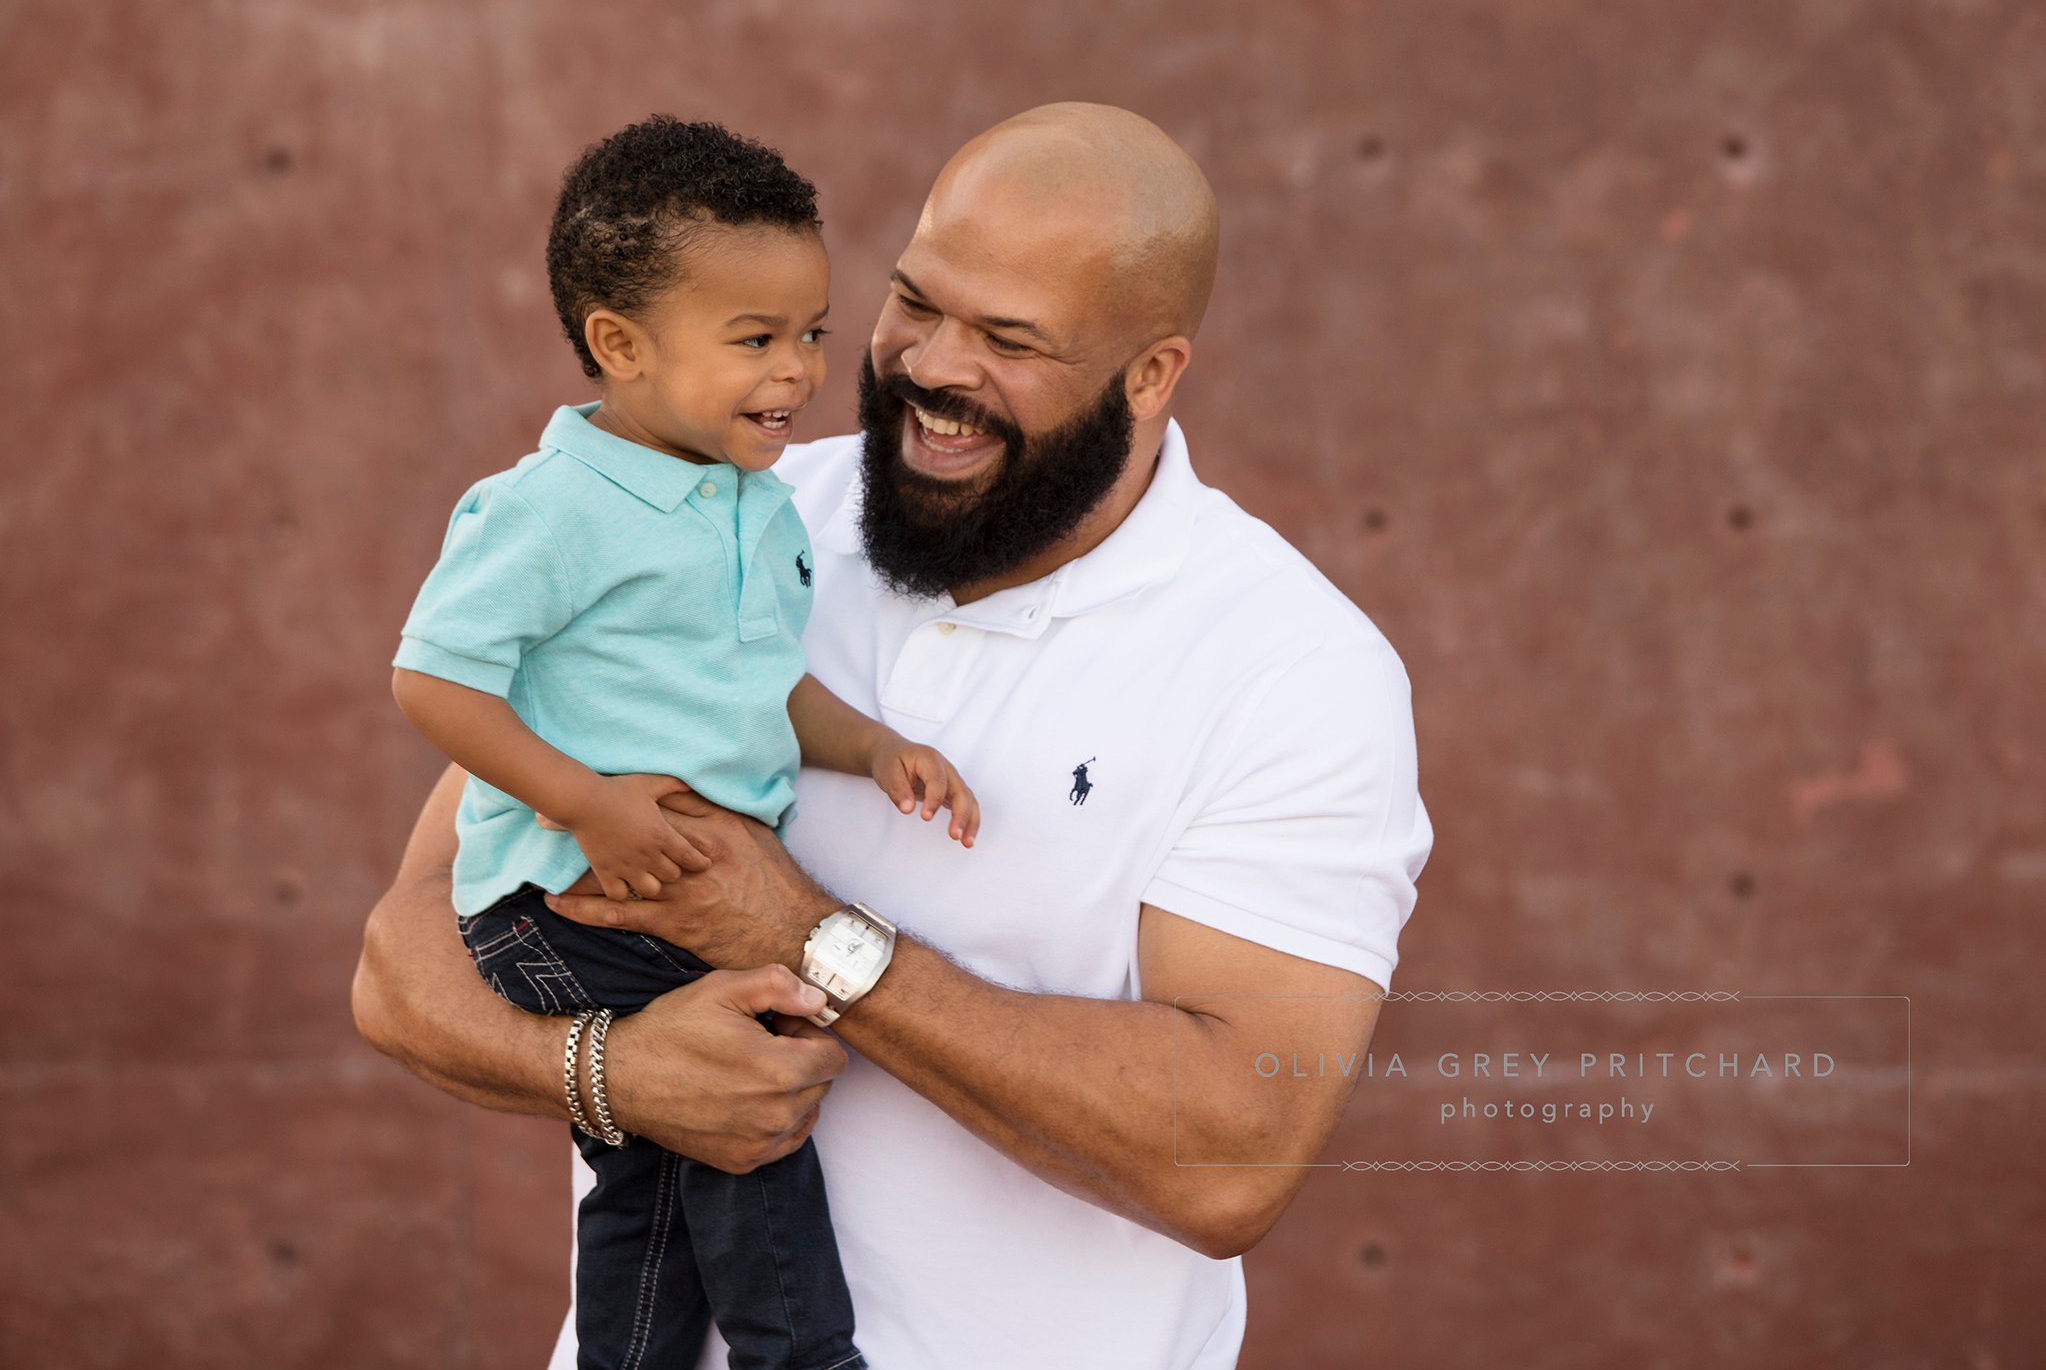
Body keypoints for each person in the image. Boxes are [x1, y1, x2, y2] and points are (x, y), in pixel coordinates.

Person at [354, 102, 1432, 1370]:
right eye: (917, 301)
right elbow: (403, 963)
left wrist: (810, 939)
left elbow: (1232, 1157)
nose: (930, 365)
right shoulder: (727, 505)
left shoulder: (1292, 670)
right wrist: (616, 1074)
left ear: (1151, 373)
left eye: (1009, 339)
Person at [389, 115, 978, 1370]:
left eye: (813, 332)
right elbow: (435, 682)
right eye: (754, 340)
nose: (798, 370)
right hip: (567, 897)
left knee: (647, 1180)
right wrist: (586, 802)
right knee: (741, 1099)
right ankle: (803, 1354)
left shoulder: (758, 508)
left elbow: (763, 692)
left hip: (656, 894)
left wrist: (872, 750)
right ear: (621, 345)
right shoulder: (554, 507)